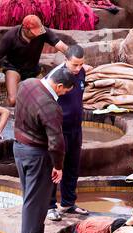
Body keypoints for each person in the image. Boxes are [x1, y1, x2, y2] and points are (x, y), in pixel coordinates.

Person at [13, 66, 74, 233]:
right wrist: (58, 166)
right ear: (59, 85)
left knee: (32, 196)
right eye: (65, 91)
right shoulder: (51, 107)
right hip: (36, 155)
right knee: (34, 200)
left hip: (19, 148)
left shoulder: (27, 84)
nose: (64, 94)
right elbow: (56, 143)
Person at [0, 15, 70, 107]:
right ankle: (2, 110)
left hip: (33, 69)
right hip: (13, 68)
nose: (38, 34)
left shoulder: (43, 31)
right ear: (25, 29)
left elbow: (60, 45)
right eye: (34, 32)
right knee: (12, 100)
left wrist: (73, 56)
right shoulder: (11, 36)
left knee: (46, 97)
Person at [48, 46, 89, 221]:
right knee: (56, 168)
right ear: (66, 60)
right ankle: (49, 206)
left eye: (81, 64)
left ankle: (68, 203)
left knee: (73, 166)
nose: (78, 68)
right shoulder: (55, 76)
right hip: (59, 129)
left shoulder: (82, 73)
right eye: (74, 65)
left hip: (75, 128)